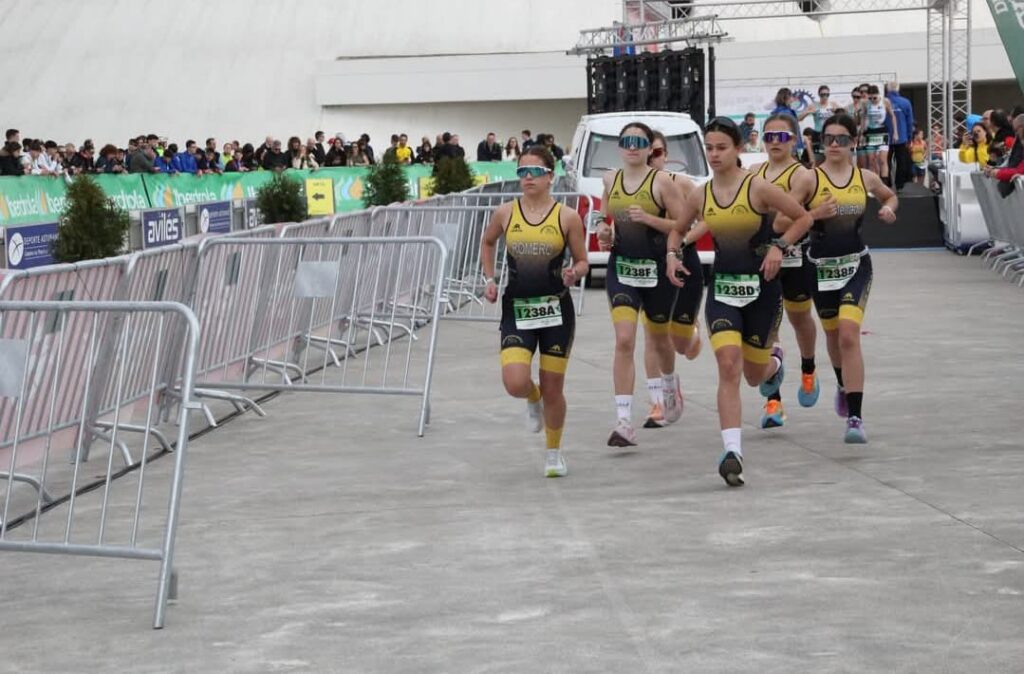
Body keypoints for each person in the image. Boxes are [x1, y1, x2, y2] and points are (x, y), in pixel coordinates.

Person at [666, 116, 812, 487]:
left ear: (738, 149)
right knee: (728, 365)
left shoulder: (759, 188)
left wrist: (780, 247)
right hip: (724, 291)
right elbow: (678, 231)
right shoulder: (700, 194)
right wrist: (672, 255)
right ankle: (732, 452)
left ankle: (773, 366)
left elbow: (802, 218)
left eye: (721, 147)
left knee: (752, 375)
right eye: (709, 148)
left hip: (762, 292)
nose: (714, 155)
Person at [779, 113, 898, 444]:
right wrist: (813, 215)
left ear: (853, 143)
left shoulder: (866, 178)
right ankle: (843, 385)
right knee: (833, 338)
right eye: (827, 138)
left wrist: (889, 208)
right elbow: (778, 221)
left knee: (848, 335)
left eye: (841, 139)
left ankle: (856, 418)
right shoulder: (808, 180)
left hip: (856, 266)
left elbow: (889, 195)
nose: (833, 144)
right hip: (818, 268)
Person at [480, 146, 588, 478]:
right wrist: (489, 278)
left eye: (534, 171)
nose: (527, 178)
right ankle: (532, 396)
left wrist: (574, 273)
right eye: (522, 172)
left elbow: (582, 260)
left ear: (550, 176)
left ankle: (554, 453)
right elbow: (487, 242)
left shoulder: (567, 217)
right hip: (517, 308)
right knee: (515, 382)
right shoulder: (505, 213)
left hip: (556, 310)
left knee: (555, 386)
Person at [595, 122, 690, 447]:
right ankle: (624, 421)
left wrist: (649, 219)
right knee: (624, 340)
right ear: (619, 147)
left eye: (639, 142)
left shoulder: (661, 181)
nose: (632, 147)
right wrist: (603, 232)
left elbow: (682, 225)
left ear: (650, 148)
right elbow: (603, 216)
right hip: (622, 268)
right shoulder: (611, 179)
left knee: (661, 340)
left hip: (657, 272)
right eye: (626, 141)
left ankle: (669, 383)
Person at [750, 113, 823, 430]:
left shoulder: (802, 175)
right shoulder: (753, 172)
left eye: (781, 137)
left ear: (794, 140)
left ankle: (808, 368)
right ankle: (773, 401)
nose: (774, 143)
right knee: (767, 326)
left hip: (794, 256)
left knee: (799, 318)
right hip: (762, 257)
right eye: (768, 136)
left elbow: (781, 220)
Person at [638, 129, 703, 428]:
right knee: (653, 335)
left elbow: (707, 221)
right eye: (647, 153)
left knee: (681, 346)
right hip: (650, 269)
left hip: (683, 265)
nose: (652, 159)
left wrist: (682, 241)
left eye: (658, 153)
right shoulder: (632, 188)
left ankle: (693, 333)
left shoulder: (683, 184)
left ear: (666, 155)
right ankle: (659, 403)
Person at [862, 85, 898, 183]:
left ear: (879, 95)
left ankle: (885, 184)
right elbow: (864, 117)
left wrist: (895, 132)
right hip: (870, 133)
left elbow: (893, 117)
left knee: (882, 160)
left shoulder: (885, 102)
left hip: (882, 132)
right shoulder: (866, 103)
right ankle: (874, 183)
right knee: (871, 160)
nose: (872, 100)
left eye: (874, 98)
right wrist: (862, 132)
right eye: (870, 98)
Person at [885, 81, 914, 190]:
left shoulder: (882, 102)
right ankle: (899, 185)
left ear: (887, 89)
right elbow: (909, 121)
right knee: (901, 162)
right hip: (901, 137)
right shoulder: (905, 102)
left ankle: (887, 184)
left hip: (885, 137)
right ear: (898, 89)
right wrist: (909, 137)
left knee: (885, 162)